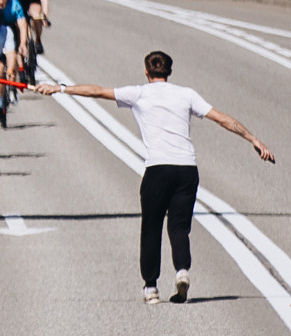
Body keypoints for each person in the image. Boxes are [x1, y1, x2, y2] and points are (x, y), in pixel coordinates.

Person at [35, 52, 274, 304]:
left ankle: (151, 288)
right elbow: (222, 119)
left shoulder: (139, 93)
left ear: (146, 72)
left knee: (151, 227)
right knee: (179, 226)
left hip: (158, 169)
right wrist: (253, 139)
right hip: (186, 170)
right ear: (170, 73)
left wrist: (59, 88)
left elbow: (96, 91)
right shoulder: (186, 94)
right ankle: (182, 270)